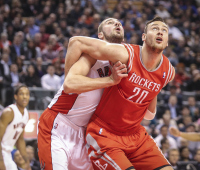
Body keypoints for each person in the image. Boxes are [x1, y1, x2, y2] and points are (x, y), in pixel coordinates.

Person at [65, 16, 175, 170]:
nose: (160, 32)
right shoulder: (125, 54)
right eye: (155, 28)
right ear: (143, 37)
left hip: (136, 136)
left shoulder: (168, 72)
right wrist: (67, 82)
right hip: (105, 134)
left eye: (164, 30)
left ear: (167, 41)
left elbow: (150, 114)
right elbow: (76, 42)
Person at [37, 18, 128, 170]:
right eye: (110, 22)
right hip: (59, 124)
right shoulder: (91, 56)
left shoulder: (126, 60)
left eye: (119, 23)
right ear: (100, 35)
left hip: (85, 134)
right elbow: (69, 85)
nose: (117, 24)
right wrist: (110, 80)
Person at [0, 85, 30, 170]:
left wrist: (27, 161)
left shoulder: (26, 114)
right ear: (15, 97)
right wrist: (1, 161)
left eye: (27, 94)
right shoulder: (9, 112)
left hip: (8, 153)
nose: (25, 97)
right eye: (21, 94)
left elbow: (20, 139)